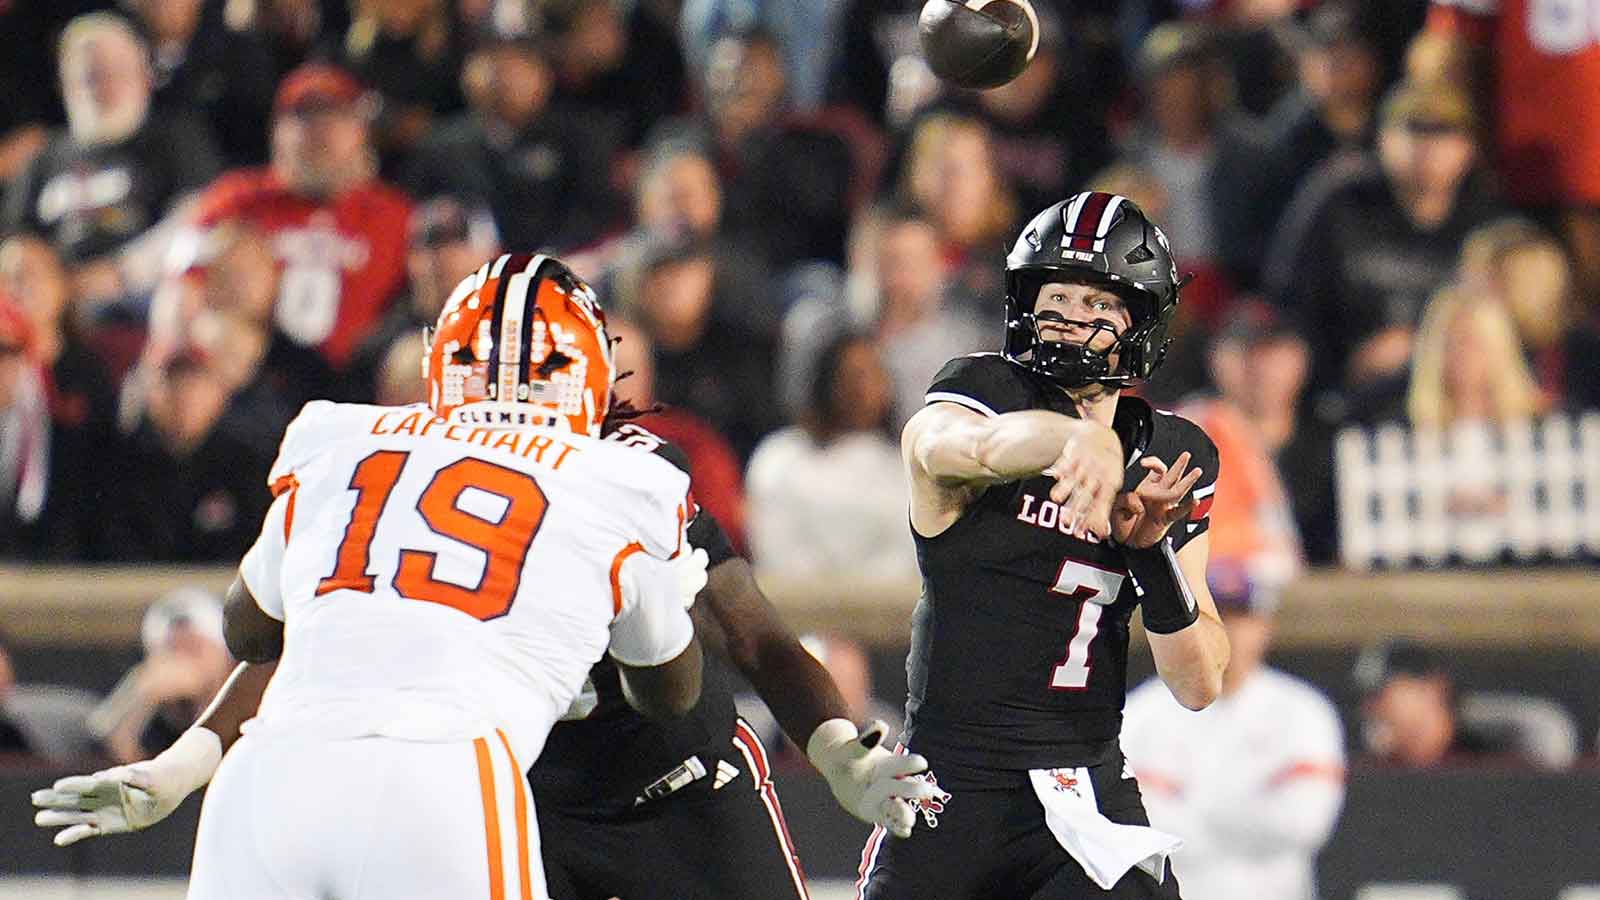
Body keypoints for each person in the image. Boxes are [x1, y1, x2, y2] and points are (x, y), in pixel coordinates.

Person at [32, 253, 939, 899]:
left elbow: (753, 630)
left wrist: (830, 743)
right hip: (505, 788)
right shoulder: (600, 477)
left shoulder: (614, 466)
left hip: (664, 794)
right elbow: (318, 636)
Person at [858, 191, 1231, 899]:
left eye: (1098, 306)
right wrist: (1076, 437)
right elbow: (951, 446)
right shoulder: (982, 389)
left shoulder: (1173, 456)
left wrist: (1150, 553)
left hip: (1083, 785)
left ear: (1141, 320)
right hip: (949, 784)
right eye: (1057, 296)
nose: (1071, 320)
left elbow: (1199, 682)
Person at [1122, 558, 1346, 900]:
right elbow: (1132, 827)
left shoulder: (1303, 711)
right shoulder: (1143, 711)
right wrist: (1248, 805)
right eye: (1217, 615)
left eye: (1242, 617)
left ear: (1264, 626)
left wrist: (1192, 806)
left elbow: (1304, 821)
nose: (1229, 630)